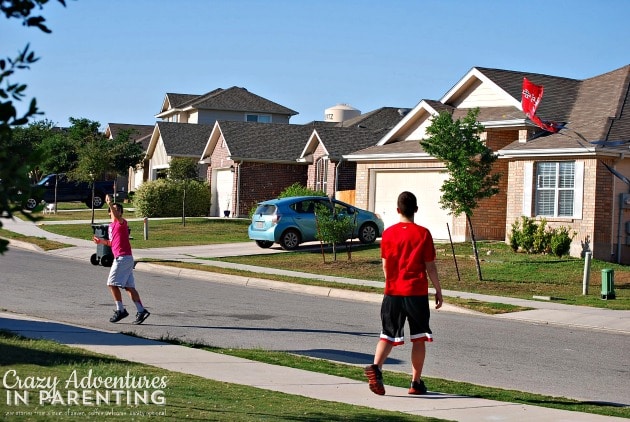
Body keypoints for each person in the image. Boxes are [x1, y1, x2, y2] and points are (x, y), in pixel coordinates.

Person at [364, 191, 443, 396]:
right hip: (415, 292)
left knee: (387, 335)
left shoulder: (388, 234)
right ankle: (415, 383)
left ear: (398, 210)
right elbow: (430, 267)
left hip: (392, 292)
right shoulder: (423, 234)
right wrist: (438, 289)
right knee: (418, 338)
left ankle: (377, 368)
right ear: (416, 209)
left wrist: (390, 281)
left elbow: (385, 265)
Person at [93, 194, 150, 325]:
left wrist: (110, 203)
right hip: (124, 258)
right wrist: (101, 241)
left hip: (123, 258)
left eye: (118, 209)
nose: (116, 210)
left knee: (111, 283)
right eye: (114, 209)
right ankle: (141, 311)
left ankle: (121, 310)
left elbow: (117, 217)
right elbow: (113, 243)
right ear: (109, 213)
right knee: (129, 287)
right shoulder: (111, 227)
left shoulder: (121, 223)